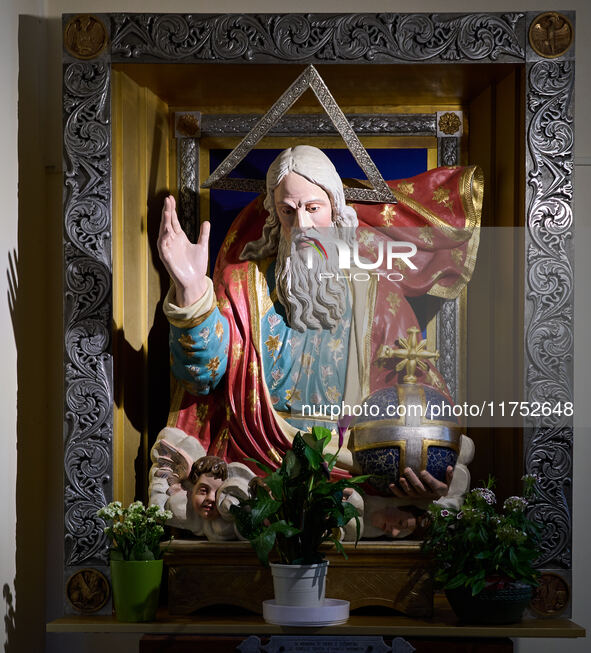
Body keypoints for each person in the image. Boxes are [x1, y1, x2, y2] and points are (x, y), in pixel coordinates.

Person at [156, 145, 481, 537]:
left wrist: (429, 459)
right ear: (274, 215)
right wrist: (192, 292)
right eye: (289, 211)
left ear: (335, 210)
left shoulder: (376, 294)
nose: (303, 225)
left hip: (346, 461)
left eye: (313, 208)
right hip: (254, 456)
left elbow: (418, 391)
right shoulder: (243, 285)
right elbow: (202, 377)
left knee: (398, 503)